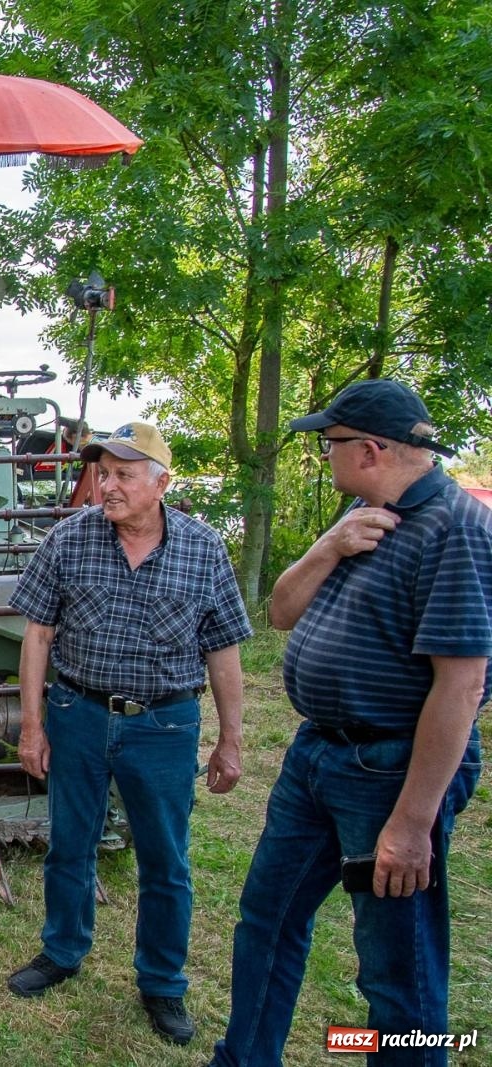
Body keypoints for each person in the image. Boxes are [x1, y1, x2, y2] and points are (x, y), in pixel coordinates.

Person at [208, 380, 488, 1067]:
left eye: (327, 444)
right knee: (266, 922)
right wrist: (328, 546)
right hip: (316, 757)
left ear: (368, 449)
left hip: (388, 772)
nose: (321, 455)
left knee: (397, 965)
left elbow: (461, 684)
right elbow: (280, 611)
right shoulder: (364, 516)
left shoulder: (456, 531)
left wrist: (411, 822)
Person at [5, 421, 251, 1047]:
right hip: (79, 715)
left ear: (161, 483)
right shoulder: (68, 539)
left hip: (164, 724)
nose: (106, 487)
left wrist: (231, 739)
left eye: (121, 475)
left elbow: (223, 651)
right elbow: (37, 636)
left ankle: (163, 984)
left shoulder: (203, 549)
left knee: (165, 861)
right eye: (103, 474)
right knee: (69, 845)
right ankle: (62, 952)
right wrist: (32, 726)